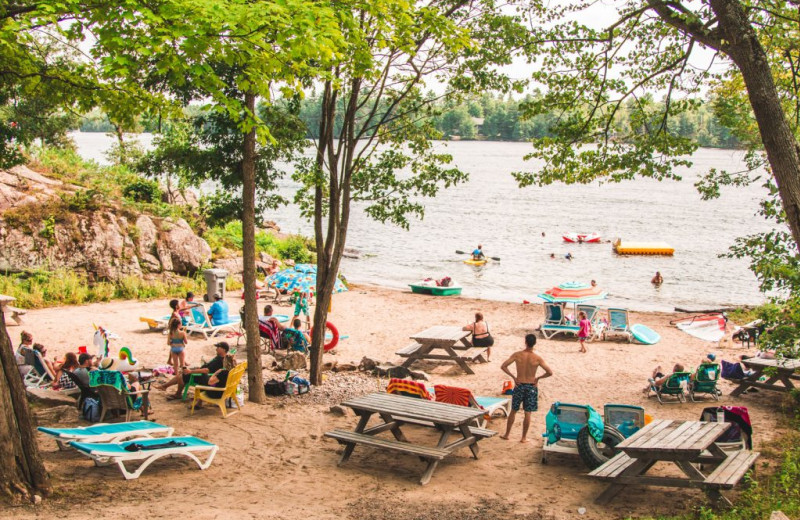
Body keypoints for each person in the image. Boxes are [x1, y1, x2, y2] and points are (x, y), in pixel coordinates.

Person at [500, 334, 553, 443]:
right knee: (528, 412)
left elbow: (503, 366)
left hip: (519, 385)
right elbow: (549, 372)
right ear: (535, 343)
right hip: (531, 386)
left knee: (513, 410)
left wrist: (513, 377)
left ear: (525, 342)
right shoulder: (537, 358)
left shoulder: (517, 355)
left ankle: (507, 434)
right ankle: (523, 438)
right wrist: (538, 378)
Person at [156, 342, 230, 400]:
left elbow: (207, 370)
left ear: (223, 349)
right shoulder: (220, 357)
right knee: (182, 373)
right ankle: (165, 386)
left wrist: (191, 372)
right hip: (203, 374)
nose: (216, 349)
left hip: (203, 377)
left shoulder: (220, 360)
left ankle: (177, 393)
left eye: (218, 347)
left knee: (181, 376)